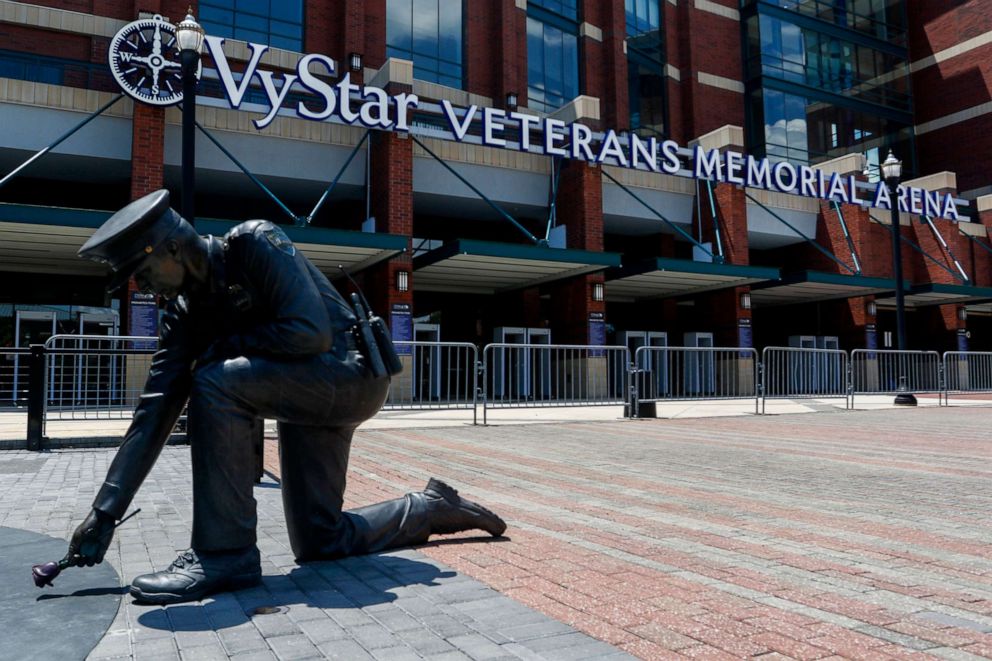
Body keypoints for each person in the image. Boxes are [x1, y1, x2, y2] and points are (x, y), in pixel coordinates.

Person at [69, 189, 505, 605]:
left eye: (143, 275)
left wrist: (224, 346)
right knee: (321, 540)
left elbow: (308, 332)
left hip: (348, 376)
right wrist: (105, 512)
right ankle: (428, 509)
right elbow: (154, 411)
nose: (145, 289)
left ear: (171, 249)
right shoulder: (184, 314)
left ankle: (226, 555)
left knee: (216, 380)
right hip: (302, 391)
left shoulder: (253, 243)